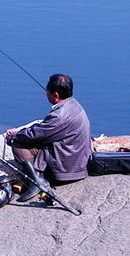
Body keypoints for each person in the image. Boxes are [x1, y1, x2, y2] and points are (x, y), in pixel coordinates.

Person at [5, 74, 91, 202]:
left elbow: (35, 135)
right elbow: (45, 129)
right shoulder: (74, 105)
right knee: (25, 136)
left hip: (67, 169)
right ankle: (38, 175)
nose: (46, 93)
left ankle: (38, 181)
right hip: (78, 160)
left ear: (56, 95)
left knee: (18, 143)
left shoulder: (60, 115)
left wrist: (14, 135)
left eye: (48, 91)